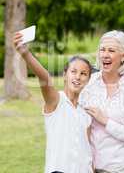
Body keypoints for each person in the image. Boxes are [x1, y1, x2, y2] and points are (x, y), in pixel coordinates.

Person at [13, 33, 93, 173]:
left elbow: (86, 149)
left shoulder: (85, 112)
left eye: (83, 73)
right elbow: (44, 77)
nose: (78, 77)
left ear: (88, 80)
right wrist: (25, 53)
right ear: (64, 75)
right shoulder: (56, 101)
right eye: (73, 72)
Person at [79, 30, 124, 173]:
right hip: (85, 167)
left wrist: (106, 121)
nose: (105, 55)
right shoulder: (88, 83)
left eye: (111, 50)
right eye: (102, 50)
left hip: (117, 168)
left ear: (123, 56)